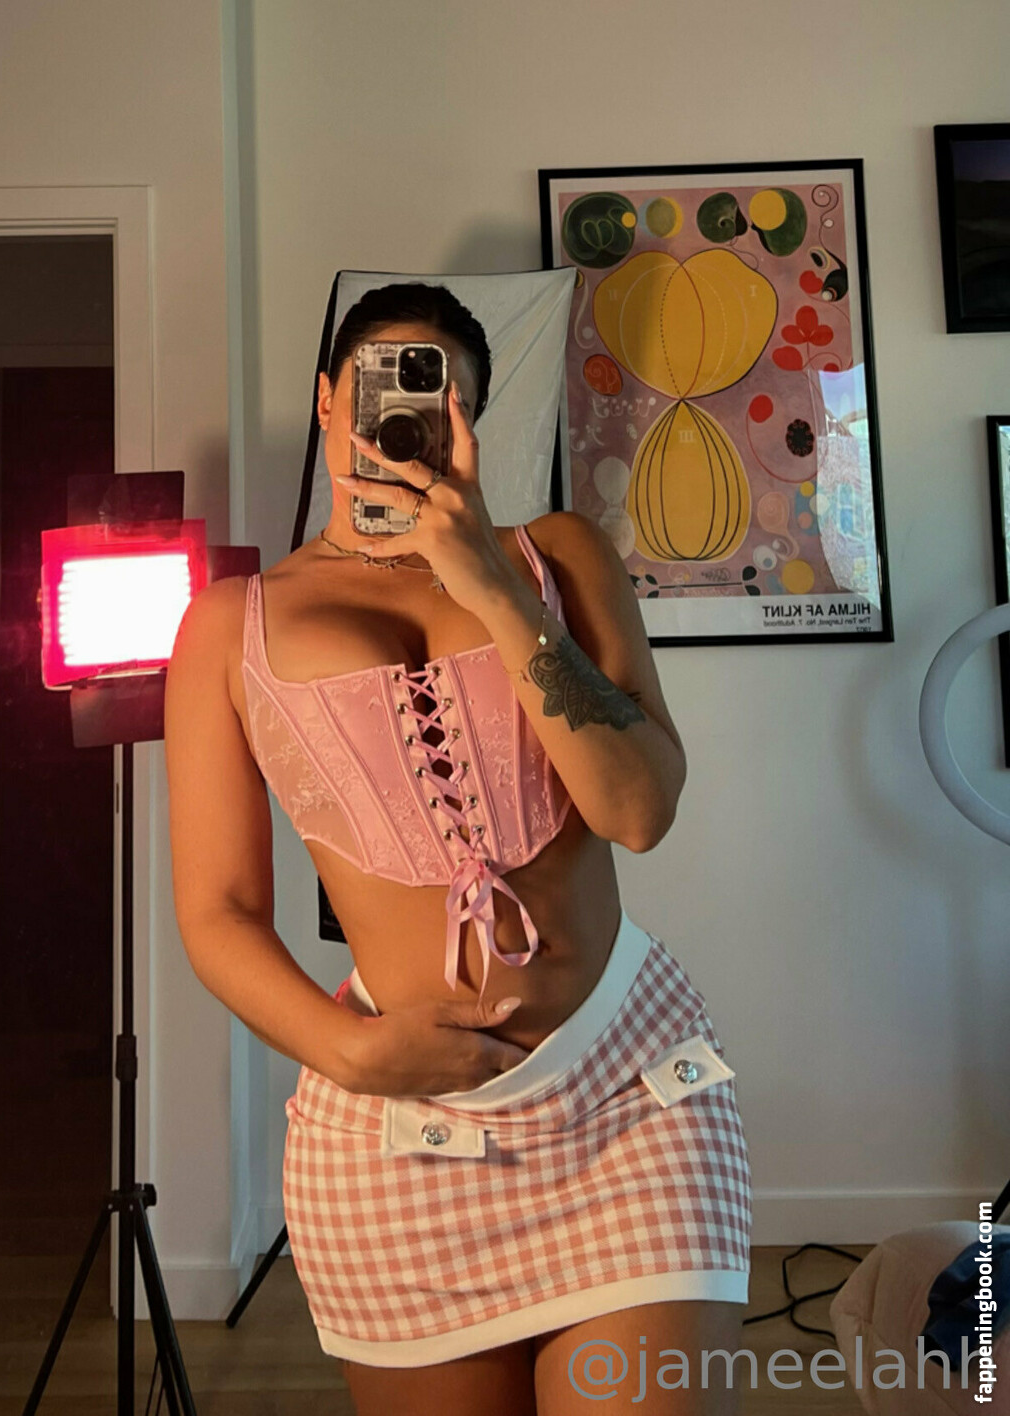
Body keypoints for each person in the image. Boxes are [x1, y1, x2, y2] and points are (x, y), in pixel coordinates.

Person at [164, 282, 753, 1416]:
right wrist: (346, 1053)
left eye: (438, 397)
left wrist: (491, 586)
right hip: (402, 1131)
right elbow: (217, 911)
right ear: (328, 402)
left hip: (629, 1092)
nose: (401, 418)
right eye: (377, 385)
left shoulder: (556, 557)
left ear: (471, 421)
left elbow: (638, 811)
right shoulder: (230, 626)